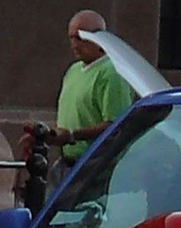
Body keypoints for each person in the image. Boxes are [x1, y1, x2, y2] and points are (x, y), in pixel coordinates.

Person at [33, 10, 136, 185]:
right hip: (66, 164)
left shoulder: (112, 73)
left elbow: (116, 125)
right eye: (71, 38)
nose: (74, 44)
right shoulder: (74, 70)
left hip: (96, 169)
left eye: (80, 38)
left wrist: (73, 136)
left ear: (99, 39)